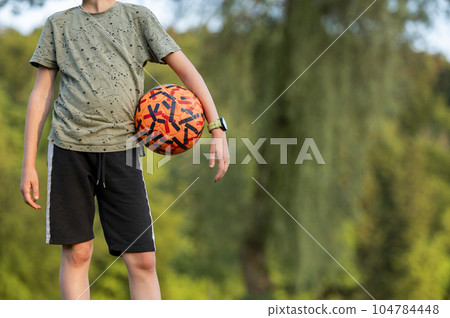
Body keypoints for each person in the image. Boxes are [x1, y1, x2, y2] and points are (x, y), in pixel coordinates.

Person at [20, 0, 229, 300]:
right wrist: (28, 164)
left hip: (124, 151)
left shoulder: (138, 17)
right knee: (78, 253)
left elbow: (188, 72)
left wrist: (217, 128)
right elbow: (41, 94)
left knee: (142, 259)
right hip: (69, 149)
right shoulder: (58, 23)